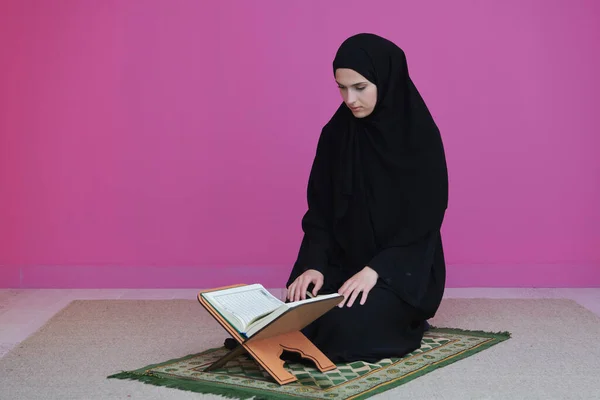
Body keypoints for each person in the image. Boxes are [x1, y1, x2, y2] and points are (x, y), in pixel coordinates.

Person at [285, 33, 449, 363]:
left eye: (360, 87)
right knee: (293, 315)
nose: (350, 99)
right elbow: (320, 212)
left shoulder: (418, 138)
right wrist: (313, 264)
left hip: (402, 270)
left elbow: (423, 223)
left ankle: (397, 314)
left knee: (346, 327)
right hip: (343, 259)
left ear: (386, 80)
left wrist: (376, 270)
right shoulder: (335, 134)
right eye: (341, 88)